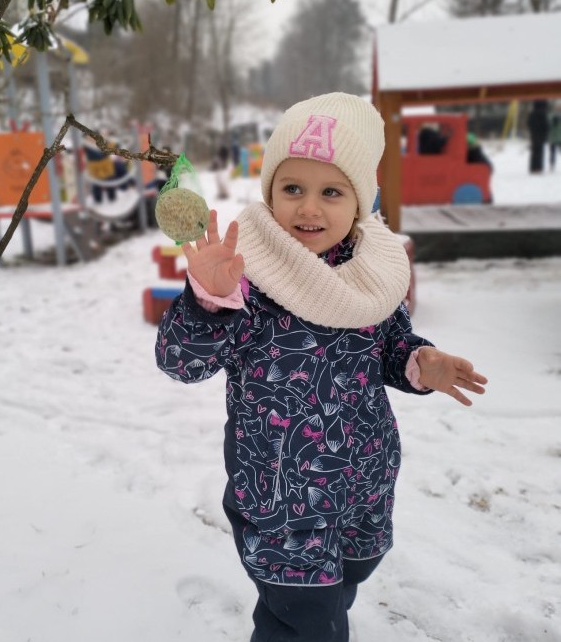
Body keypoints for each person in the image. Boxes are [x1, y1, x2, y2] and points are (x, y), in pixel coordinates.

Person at [154, 93, 488, 642]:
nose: (309, 208)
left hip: (363, 485)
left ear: (359, 202)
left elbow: (390, 345)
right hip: (281, 501)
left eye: (331, 192)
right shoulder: (246, 278)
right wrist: (207, 303)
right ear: (270, 194)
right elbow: (180, 363)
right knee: (303, 623)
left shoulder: (371, 274)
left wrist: (420, 362)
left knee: (342, 586)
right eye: (293, 189)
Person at [527, 100, 549, 174]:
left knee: (534, 151)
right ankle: (539, 167)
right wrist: (545, 133)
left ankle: (533, 167)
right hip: (541, 135)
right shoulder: (543, 114)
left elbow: (529, 123)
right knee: (540, 151)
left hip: (534, 134)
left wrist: (532, 130)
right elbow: (546, 125)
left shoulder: (532, 113)